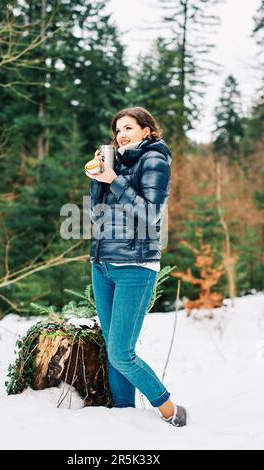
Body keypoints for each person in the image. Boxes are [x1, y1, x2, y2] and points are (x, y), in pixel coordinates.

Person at [85, 106, 187, 427]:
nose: (121, 135)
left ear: (146, 130)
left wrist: (114, 180)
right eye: (117, 130)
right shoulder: (117, 161)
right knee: (113, 348)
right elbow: (96, 213)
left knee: (121, 353)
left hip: (135, 266)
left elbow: (150, 214)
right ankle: (125, 417)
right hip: (102, 264)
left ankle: (170, 409)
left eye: (128, 128)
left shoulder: (154, 160)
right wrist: (99, 178)